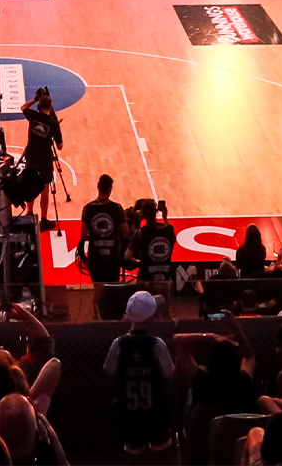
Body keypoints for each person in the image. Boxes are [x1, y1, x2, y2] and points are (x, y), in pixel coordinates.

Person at [102, 292, 174, 459]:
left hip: (130, 418)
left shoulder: (118, 344)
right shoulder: (157, 344)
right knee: (161, 458)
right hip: (156, 417)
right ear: (152, 316)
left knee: (134, 458)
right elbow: (169, 375)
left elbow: (110, 373)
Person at [77, 175, 128, 303]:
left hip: (96, 258)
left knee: (98, 289)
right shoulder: (117, 208)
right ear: (110, 189)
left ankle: (97, 318)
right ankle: (113, 319)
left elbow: (83, 235)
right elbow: (125, 233)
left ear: (98, 187)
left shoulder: (87, 209)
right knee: (112, 290)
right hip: (113, 257)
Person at [19, 91, 62, 227]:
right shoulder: (53, 124)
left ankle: (29, 212)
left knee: (31, 185)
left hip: (31, 157)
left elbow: (23, 107)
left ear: (38, 105)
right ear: (50, 106)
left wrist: (34, 99)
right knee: (44, 189)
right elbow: (59, 146)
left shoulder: (33, 116)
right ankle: (43, 219)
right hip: (45, 160)